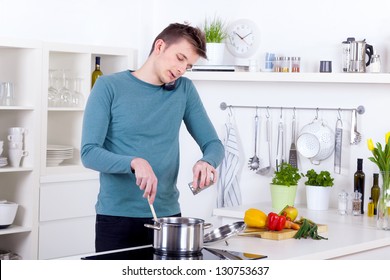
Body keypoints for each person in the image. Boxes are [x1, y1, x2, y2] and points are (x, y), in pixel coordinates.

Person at [81, 22, 225, 253]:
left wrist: (207, 161)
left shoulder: (184, 90)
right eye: (179, 58)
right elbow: (89, 153)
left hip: (168, 219)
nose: (181, 70)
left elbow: (213, 144)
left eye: (188, 66)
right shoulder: (108, 86)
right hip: (117, 220)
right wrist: (134, 162)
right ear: (160, 46)